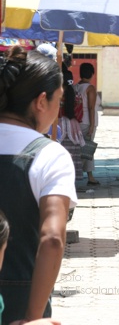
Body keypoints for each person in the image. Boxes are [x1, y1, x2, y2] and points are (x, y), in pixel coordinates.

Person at [0, 51, 77, 324]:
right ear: (42, 101)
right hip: (20, 299)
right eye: (59, 99)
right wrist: (33, 318)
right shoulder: (50, 155)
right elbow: (52, 239)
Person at [76, 63, 100, 186]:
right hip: (87, 121)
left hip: (77, 121)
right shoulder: (90, 88)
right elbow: (91, 107)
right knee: (88, 149)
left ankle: (86, 174)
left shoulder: (76, 87)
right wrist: (91, 125)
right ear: (91, 74)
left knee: (79, 148)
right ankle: (89, 176)